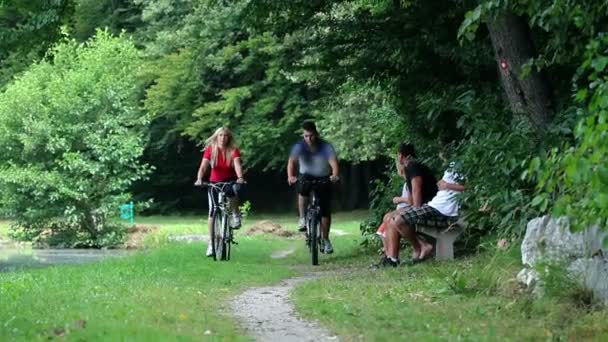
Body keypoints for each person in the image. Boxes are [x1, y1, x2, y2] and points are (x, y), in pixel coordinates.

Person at [376, 162, 465, 268]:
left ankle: (420, 247)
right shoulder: (452, 166)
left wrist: (447, 185)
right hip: (434, 205)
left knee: (398, 220)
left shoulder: (466, 166)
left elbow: (470, 187)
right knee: (390, 218)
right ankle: (392, 259)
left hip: (442, 211)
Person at [287, 121, 339, 254]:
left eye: (311, 136)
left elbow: (333, 162)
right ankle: (302, 218)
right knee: (302, 190)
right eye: (305, 136)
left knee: (325, 210)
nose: (308, 139)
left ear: (316, 134)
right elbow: (291, 162)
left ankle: (326, 239)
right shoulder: (299, 146)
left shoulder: (325, 146)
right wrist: (290, 176)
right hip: (306, 176)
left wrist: (334, 174)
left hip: (323, 177)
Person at [377, 143, 438, 258]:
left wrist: (415, 210)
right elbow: (411, 198)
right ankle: (392, 258)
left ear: (400, 155)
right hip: (421, 204)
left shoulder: (413, 166)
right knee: (387, 217)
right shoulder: (409, 169)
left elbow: (417, 190)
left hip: (429, 205)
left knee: (395, 219)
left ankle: (420, 246)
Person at [194, 127, 246, 257]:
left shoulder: (233, 150)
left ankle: (235, 214)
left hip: (229, 181)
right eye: (220, 135)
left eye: (225, 136)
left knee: (232, 192)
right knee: (212, 212)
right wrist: (200, 178)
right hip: (214, 183)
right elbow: (203, 167)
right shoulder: (211, 150)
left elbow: (237, 165)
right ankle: (211, 243)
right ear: (216, 137)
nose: (223, 138)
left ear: (229, 138)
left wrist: (240, 178)